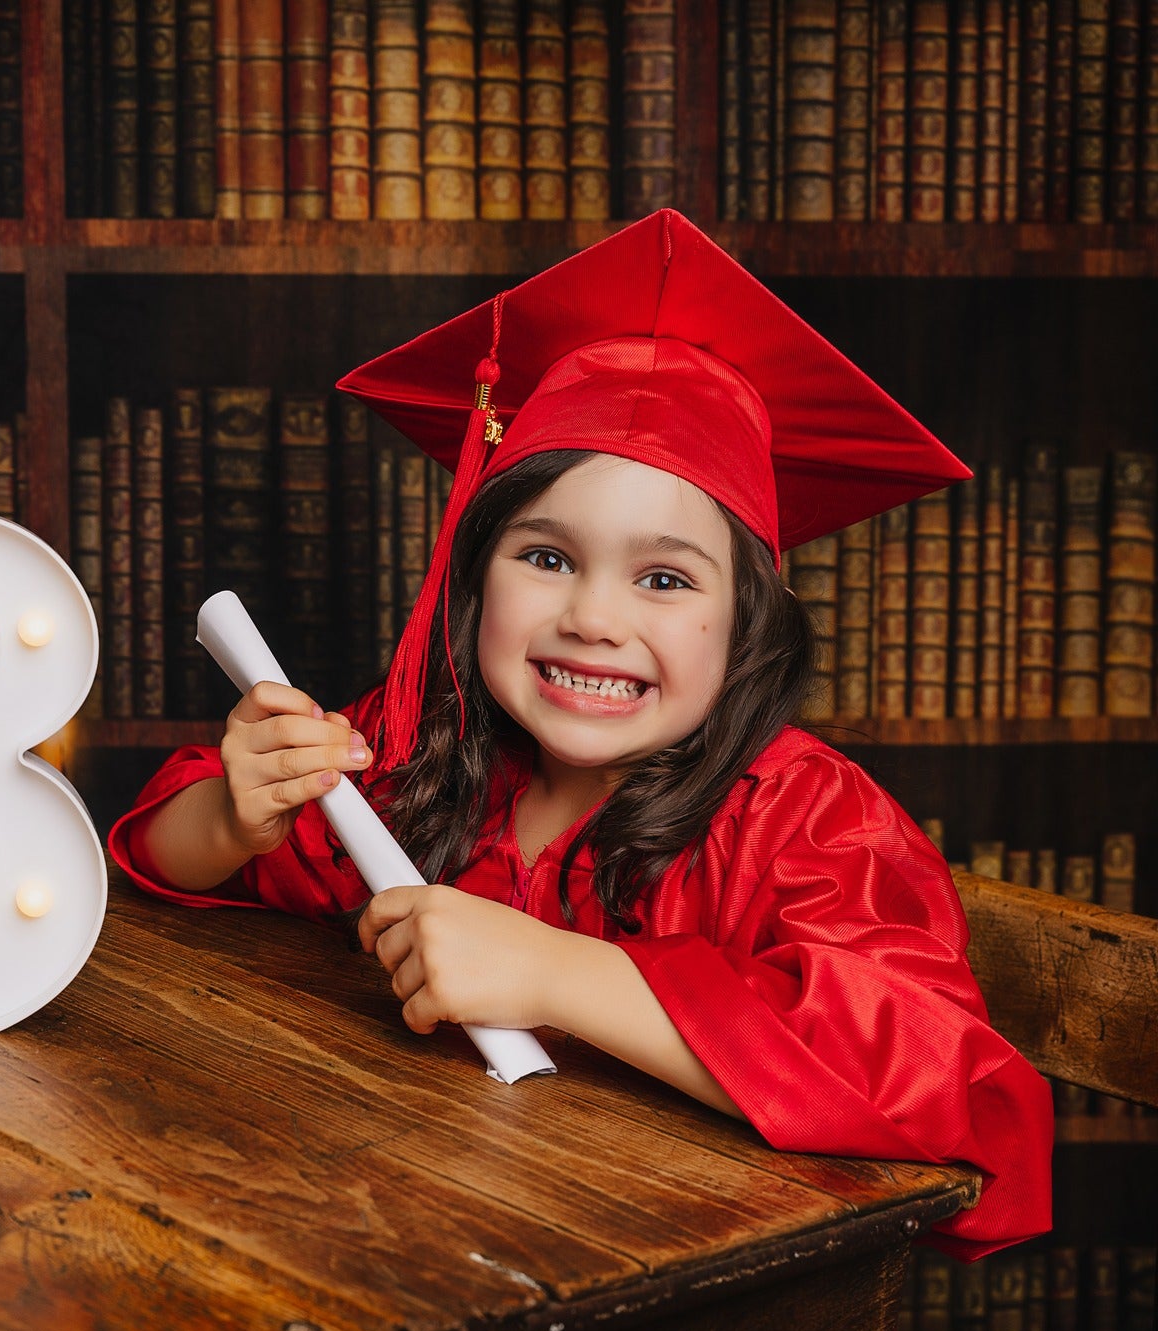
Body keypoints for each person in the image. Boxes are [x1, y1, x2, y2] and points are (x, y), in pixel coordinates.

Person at [108, 209, 1052, 1258]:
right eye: (545, 558)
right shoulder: (422, 751)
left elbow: (955, 1098)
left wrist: (555, 975)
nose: (593, 618)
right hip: (427, 1252)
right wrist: (232, 818)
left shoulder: (806, 822)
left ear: (747, 618)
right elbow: (181, 864)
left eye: (661, 578)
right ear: (470, 579)